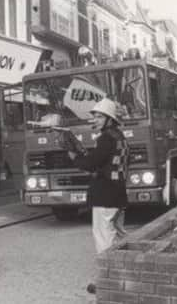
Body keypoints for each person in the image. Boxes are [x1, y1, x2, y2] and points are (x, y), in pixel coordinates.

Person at [67, 98, 128, 295]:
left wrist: (76, 157)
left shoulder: (105, 138)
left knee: (104, 237)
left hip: (105, 194)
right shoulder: (119, 136)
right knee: (117, 235)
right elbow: (107, 162)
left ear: (110, 119)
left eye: (100, 116)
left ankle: (107, 280)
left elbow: (92, 163)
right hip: (118, 193)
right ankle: (124, 273)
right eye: (95, 116)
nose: (96, 119)